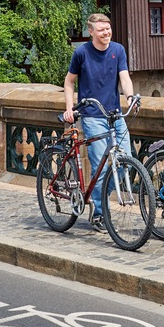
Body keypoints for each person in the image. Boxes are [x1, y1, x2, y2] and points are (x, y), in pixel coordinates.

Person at [63, 13, 137, 230]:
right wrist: (69, 109)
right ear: (92, 32)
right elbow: (69, 82)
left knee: (127, 161)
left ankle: (100, 200)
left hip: (114, 114)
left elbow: (124, 78)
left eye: (108, 28)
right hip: (92, 116)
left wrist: (130, 97)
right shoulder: (81, 53)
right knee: (101, 168)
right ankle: (98, 211)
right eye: (101, 29)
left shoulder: (118, 50)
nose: (106, 33)